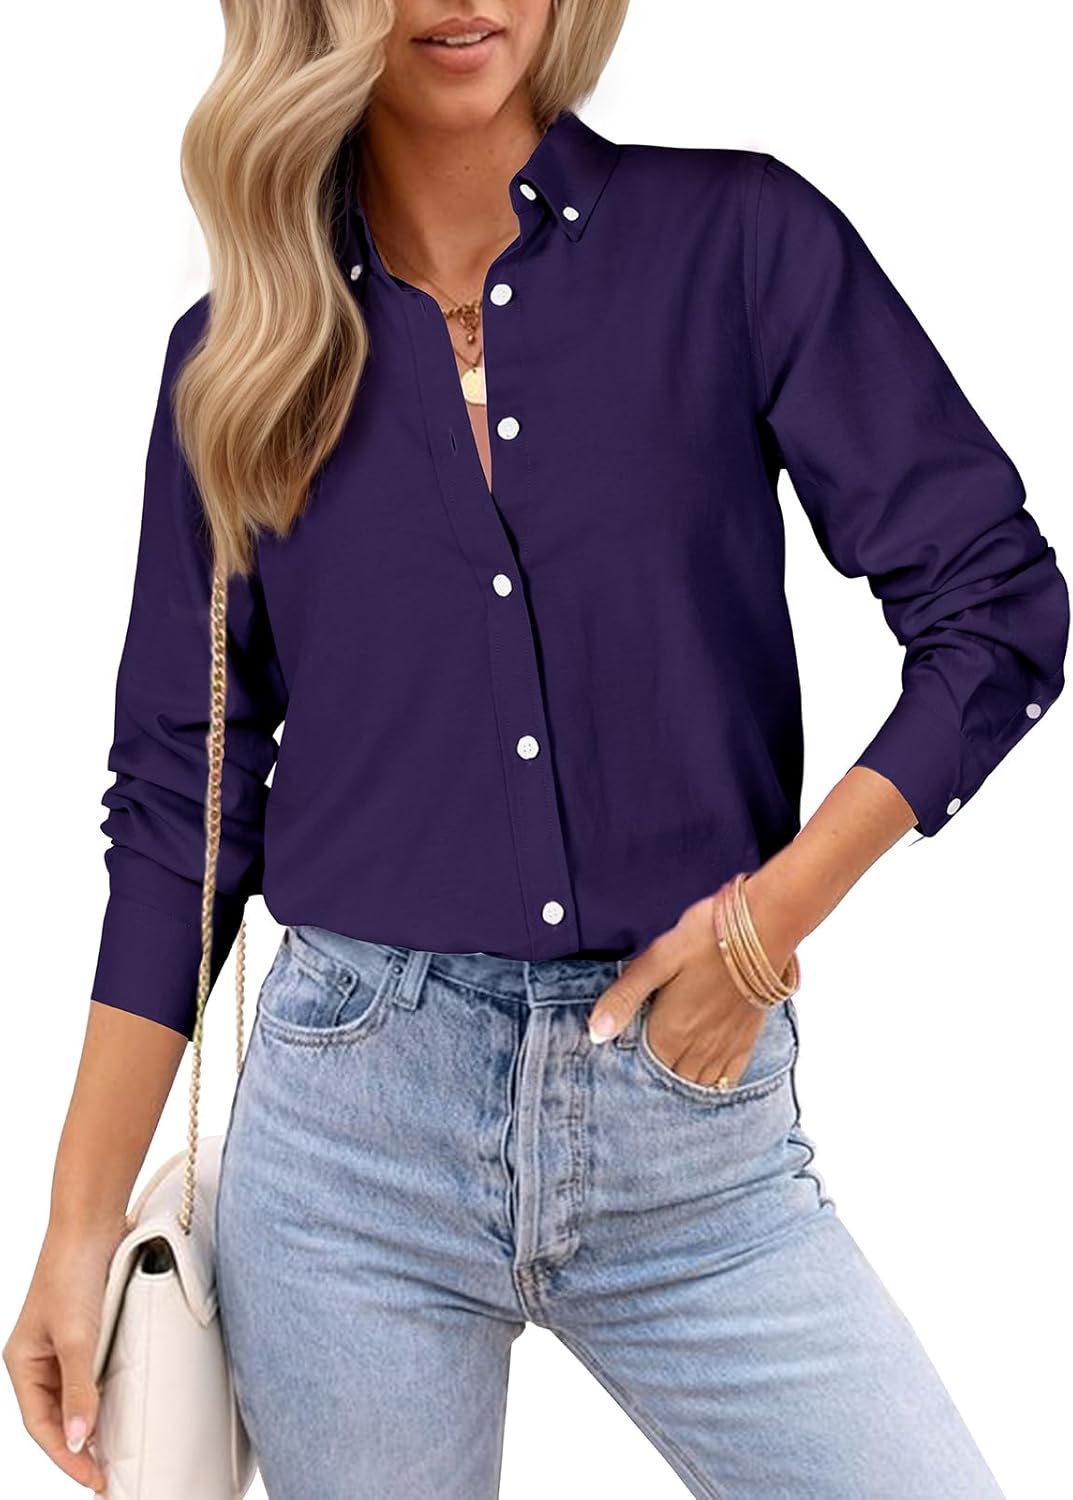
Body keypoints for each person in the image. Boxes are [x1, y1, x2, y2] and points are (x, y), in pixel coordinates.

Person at [4, 2, 1068, 1496]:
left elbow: (995, 609)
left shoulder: (738, 243)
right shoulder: (235, 360)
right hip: (348, 1149)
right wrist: (77, 1223)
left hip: (689, 1127)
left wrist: (766, 926)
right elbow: (186, 802)